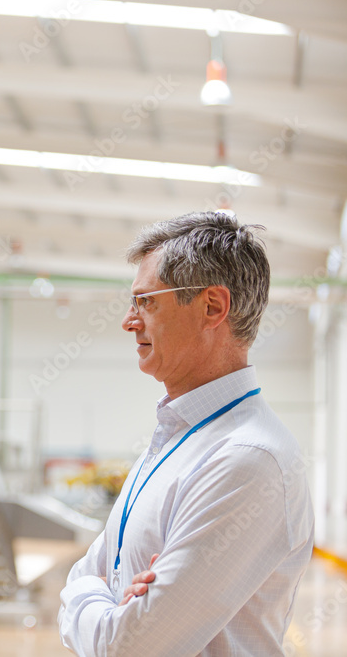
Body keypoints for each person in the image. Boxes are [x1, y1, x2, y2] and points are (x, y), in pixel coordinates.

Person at [58, 212, 314, 656]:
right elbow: (92, 572)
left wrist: (88, 599)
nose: (129, 321)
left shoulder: (248, 459)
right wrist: (106, 598)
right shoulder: (175, 440)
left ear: (212, 307)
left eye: (146, 302)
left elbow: (130, 648)